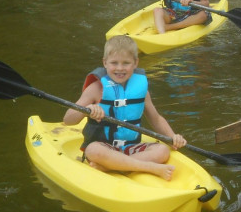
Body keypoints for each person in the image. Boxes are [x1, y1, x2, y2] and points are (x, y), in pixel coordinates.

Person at [63, 35, 187, 180]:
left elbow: (156, 118)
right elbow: (68, 120)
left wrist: (172, 137)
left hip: (131, 148)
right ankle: (148, 167)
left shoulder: (141, 89)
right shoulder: (96, 88)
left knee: (163, 150)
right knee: (92, 150)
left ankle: (111, 166)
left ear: (135, 63)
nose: (120, 68)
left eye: (126, 63)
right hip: (104, 147)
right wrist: (87, 110)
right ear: (105, 63)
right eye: (114, 63)